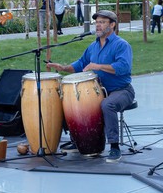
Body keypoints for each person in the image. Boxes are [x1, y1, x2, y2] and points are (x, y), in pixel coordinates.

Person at [46, 10, 135, 163]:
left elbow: (123, 67)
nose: (98, 25)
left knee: (107, 104)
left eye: (102, 22)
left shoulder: (121, 45)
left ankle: (114, 147)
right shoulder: (92, 47)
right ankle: (78, 140)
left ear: (112, 25)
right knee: (70, 101)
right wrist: (62, 67)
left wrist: (98, 66)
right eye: (97, 22)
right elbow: (80, 64)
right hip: (97, 91)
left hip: (121, 90)